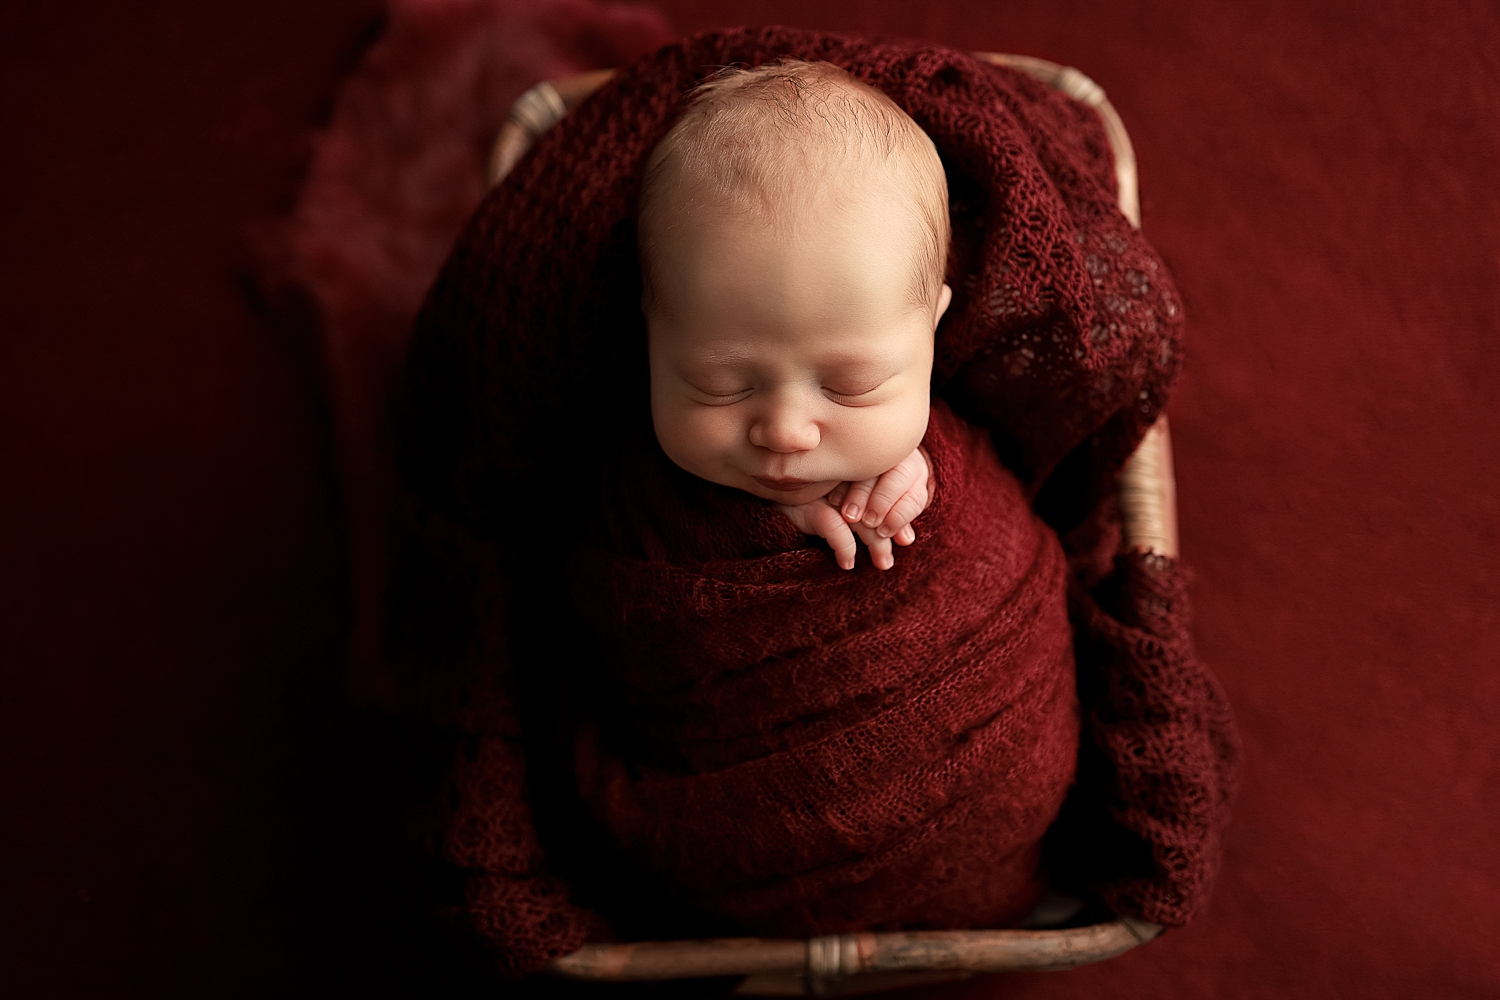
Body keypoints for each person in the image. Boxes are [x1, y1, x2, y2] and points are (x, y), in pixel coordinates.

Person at [637, 59, 950, 570]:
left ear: (933, 329)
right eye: (721, 385)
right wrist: (758, 525)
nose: (785, 433)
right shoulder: (633, 485)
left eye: (851, 385)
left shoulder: (940, 440)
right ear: (650, 331)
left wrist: (929, 475)